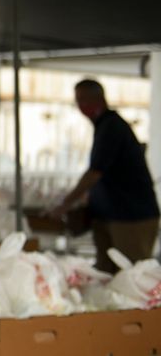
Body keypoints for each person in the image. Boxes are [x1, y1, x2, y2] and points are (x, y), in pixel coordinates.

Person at [51, 79, 160, 272]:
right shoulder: (103, 127)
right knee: (106, 274)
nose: (80, 105)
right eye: (78, 100)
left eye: (84, 99)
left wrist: (66, 202)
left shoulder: (112, 127)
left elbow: (95, 172)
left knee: (133, 276)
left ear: (99, 98)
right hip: (110, 215)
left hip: (130, 218)